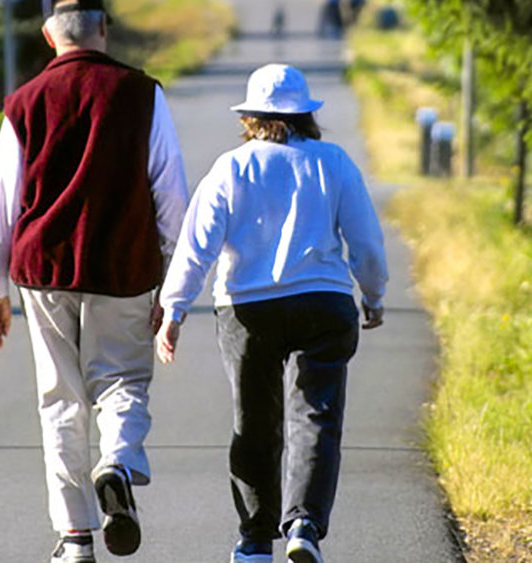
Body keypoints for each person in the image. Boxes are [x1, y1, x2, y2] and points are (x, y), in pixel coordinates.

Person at [0, 0, 189, 563]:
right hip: (123, 265)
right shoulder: (142, 94)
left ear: (49, 35)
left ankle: (75, 539)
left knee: (60, 398)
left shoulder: (24, 102)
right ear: (103, 27)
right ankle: (116, 461)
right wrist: (175, 283)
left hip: (43, 270)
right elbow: (170, 194)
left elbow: (0, 201)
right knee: (121, 380)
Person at [155, 64, 388, 563]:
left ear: (250, 117)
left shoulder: (231, 167)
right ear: (306, 115)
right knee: (315, 415)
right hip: (323, 303)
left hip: (247, 310)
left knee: (254, 422)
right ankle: (303, 525)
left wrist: (173, 309)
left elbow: (197, 246)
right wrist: (374, 294)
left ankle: (256, 539)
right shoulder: (333, 162)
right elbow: (365, 241)